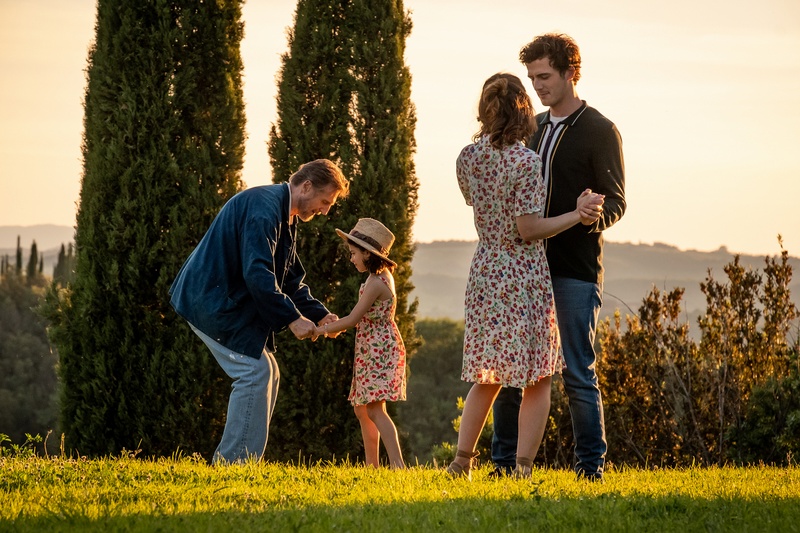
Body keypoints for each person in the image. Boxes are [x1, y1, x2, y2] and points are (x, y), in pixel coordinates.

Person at [447, 72, 604, 480]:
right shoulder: (526, 161)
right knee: (538, 376)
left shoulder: (467, 157)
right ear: (522, 111)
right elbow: (528, 229)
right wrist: (577, 214)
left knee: (489, 374)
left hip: (485, 271)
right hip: (522, 274)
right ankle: (521, 468)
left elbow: (475, 202)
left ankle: (461, 462)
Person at [491, 33, 626, 482]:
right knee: (513, 370)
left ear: (571, 73)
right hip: (523, 272)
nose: (538, 86)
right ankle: (502, 466)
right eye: (532, 78)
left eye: (545, 76)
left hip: (574, 272)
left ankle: (590, 470)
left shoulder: (600, 130)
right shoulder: (530, 129)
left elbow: (617, 202)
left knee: (577, 373)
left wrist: (591, 215)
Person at [169, 159, 350, 464]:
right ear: (306, 186)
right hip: (209, 299)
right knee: (254, 372)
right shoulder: (264, 210)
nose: (325, 211)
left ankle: (245, 461)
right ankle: (233, 465)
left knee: (268, 371)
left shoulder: (284, 214)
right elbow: (258, 273)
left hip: (224, 301)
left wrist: (319, 314)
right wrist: (293, 319)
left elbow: (289, 279)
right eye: (325, 202)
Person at [316, 218, 407, 469]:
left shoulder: (377, 282)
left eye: (354, 253)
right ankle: (372, 466)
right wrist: (333, 326)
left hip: (378, 350)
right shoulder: (378, 277)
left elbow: (353, 319)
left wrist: (320, 330)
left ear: (368, 253)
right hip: (370, 348)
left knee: (375, 409)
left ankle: (398, 465)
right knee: (362, 409)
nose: (351, 258)